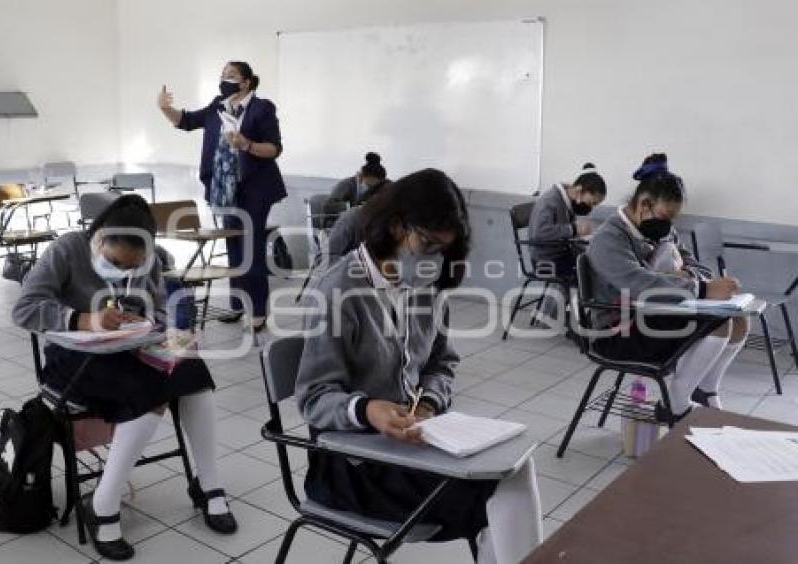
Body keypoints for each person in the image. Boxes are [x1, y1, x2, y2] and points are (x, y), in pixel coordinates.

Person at [295, 169, 543, 563]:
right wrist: (366, 409)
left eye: (444, 249)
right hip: (354, 464)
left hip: (413, 442)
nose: (434, 259)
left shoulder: (425, 285)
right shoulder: (339, 290)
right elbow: (313, 398)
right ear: (396, 227)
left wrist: (427, 402)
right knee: (491, 496)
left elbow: (443, 362)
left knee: (514, 471)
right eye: (427, 243)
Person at [12, 195, 236, 561]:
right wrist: (84, 319)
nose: (124, 270)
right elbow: (23, 309)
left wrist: (158, 326)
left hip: (130, 349)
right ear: (97, 238)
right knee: (146, 391)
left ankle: (208, 484)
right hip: (74, 357)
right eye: (115, 262)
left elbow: (161, 305)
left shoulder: (151, 258)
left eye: (133, 265)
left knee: (194, 373)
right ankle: (104, 503)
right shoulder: (67, 250)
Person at [586, 155, 749, 420]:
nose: (669, 224)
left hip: (653, 312)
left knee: (739, 320)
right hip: (619, 330)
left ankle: (705, 390)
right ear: (644, 205)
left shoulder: (660, 230)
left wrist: (690, 276)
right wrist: (702, 289)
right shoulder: (609, 238)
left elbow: (697, 265)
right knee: (719, 323)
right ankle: (675, 403)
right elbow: (639, 283)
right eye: (665, 216)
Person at [158, 61, 285, 332]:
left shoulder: (262, 108)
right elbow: (188, 121)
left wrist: (246, 145)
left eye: (230, 76)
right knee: (233, 248)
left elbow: (274, 149)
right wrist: (166, 109)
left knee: (251, 249)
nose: (223, 80)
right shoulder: (218, 104)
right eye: (222, 75)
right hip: (224, 189)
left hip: (255, 187)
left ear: (246, 82)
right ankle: (238, 304)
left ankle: (259, 311)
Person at [527, 163, 607, 279]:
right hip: (545, 261)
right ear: (579, 190)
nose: (590, 207)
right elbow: (539, 233)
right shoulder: (550, 201)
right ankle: (572, 296)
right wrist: (573, 229)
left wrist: (585, 239)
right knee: (593, 271)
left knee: (600, 262)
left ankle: (574, 296)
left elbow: (565, 235)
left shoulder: (567, 201)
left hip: (561, 254)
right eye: (591, 203)